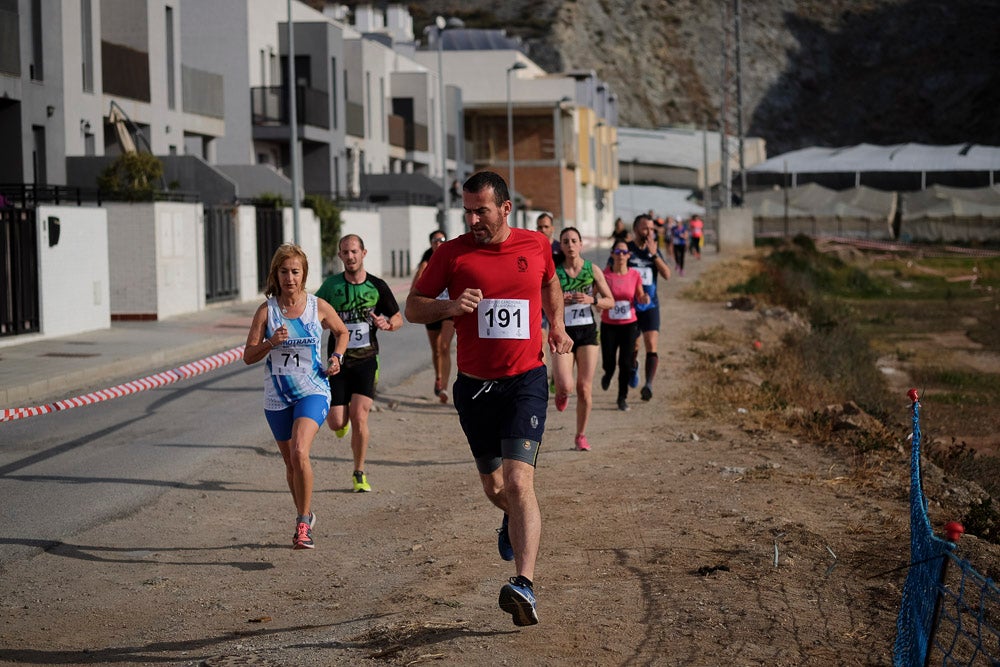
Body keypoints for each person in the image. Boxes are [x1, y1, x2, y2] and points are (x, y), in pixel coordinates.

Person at [405, 171, 572, 627]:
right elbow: (413, 306)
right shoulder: (451, 253)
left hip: (525, 382)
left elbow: (550, 283)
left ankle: (524, 585)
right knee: (496, 489)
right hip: (475, 388)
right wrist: (449, 306)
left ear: (505, 209)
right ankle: (511, 520)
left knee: (519, 483)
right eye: (468, 211)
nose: (473, 219)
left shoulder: (536, 245)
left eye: (481, 210)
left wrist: (556, 325)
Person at [243, 243, 349, 550]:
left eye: (295, 271)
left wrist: (337, 357)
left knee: (300, 450)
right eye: (284, 271)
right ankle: (306, 513)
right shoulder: (267, 311)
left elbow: (341, 332)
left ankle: (302, 525)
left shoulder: (317, 306)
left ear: (304, 274)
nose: (289, 278)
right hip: (277, 395)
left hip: (313, 389)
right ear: (275, 274)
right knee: (291, 463)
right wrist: (270, 343)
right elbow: (248, 356)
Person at [315, 234, 403, 493]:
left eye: (354, 251)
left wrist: (388, 324)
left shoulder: (377, 286)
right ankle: (342, 424)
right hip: (338, 361)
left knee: (360, 416)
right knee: (336, 422)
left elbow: (398, 318)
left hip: (367, 360)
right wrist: (324, 323)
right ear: (340, 256)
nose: (350, 256)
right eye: (345, 252)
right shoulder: (331, 286)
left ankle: (359, 473)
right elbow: (314, 314)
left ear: (363, 253)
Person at [552, 227, 614, 451]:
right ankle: (560, 391)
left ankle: (580, 435)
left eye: (573, 241)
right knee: (566, 385)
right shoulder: (555, 272)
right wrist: (560, 301)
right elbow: (541, 300)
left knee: (584, 389)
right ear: (561, 246)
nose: (570, 245)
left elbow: (610, 301)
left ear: (580, 244)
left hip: (587, 332)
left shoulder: (592, 269)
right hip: (563, 332)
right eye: (565, 241)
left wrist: (591, 300)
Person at [600, 239, 649, 411]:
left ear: (629, 255)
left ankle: (622, 398)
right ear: (612, 254)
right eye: (617, 252)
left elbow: (640, 295)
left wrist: (643, 298)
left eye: (624, 252)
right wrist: (598, 303)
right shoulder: (605, 275)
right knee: (609, 361)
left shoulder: (634, 275)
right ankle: (608, 373)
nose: (621, 255)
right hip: (608, 325)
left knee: (626, 363)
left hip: (629, 324)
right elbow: (595, 294)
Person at [627, 214, 672, 401]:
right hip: (630, 307)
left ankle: (648, 385)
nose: (649, 232)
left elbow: (667, 275)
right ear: (636, 229)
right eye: (645, 228)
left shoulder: (654, 251)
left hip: (650, 305)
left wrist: (654, 255)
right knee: (633, 346)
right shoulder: (626, 250)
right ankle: (633, 367)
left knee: (651, 344)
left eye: (652, 229)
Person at [412, 230, 455, 403]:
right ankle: (438, 377)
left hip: (449, 308)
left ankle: (444, 387)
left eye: (441, 240)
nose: (438, 243)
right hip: (431, 309)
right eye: (435, 240)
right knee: (436, 349)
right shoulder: (425, 263)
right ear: (430, 244)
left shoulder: (452, 258)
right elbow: (414, 290)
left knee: (444, 346)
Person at [536, 211, 562, 392]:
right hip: (538, 299)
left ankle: (556, 373)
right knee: (541, 340)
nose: (543, 230)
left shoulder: (561, 249)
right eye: (540, 227)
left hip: (558, 301)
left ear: (552, 228)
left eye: (546, 226)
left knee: (557, 338)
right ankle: (542, 376)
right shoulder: (533, 247)